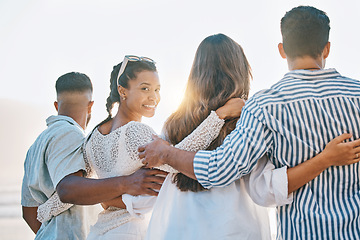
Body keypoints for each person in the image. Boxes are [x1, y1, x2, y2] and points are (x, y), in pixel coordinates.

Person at [139, 7, 360, 240]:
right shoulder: (356, 95)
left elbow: (221, 169)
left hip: (182, 228)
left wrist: (166, 154)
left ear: (282, 50)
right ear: (327, 48)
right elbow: (264, 189)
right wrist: (325, 159)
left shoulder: (265, 106)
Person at [34, 56, 243, 240]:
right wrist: (219, 116)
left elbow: (83, 186)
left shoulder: (93, 136)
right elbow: (181, 155)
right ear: (122, 91)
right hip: (129, 231)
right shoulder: (136, 132)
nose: (154, 97)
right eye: (145, 88)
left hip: (98, 232)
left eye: (157, 89)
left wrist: (45, 211)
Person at [21, 72, 167, 240]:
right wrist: (128, 183)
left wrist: (48, 234)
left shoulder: (35, 147)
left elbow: (29, 212)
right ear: (90, 106)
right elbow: (68, 189)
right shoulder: (70, 134)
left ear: (56, 105)